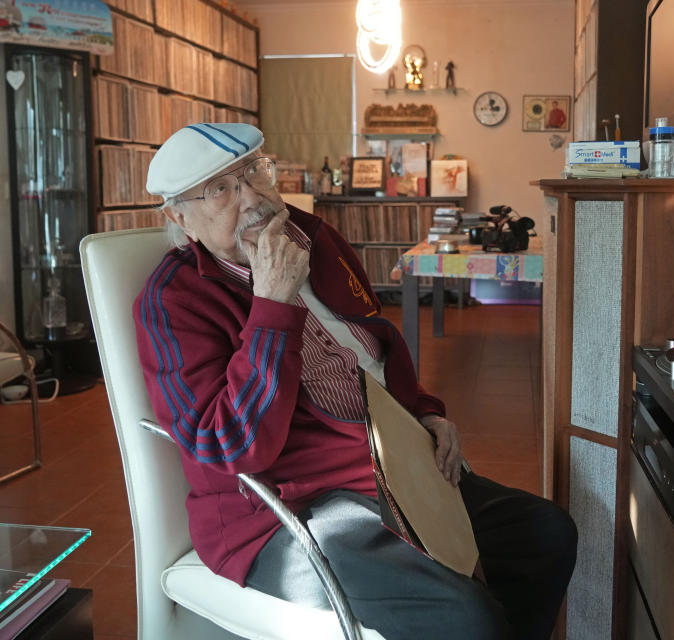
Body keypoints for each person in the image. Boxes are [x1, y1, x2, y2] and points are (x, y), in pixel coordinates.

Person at [134, 123, 577, 640]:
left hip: (393, 464)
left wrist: (427, 411)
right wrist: (272, 306)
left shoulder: (312, 237)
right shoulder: (171, 303)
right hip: (286, 509)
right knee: (465, 620)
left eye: (254, 171)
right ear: (179, 217)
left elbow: (372, 346)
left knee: (546, 533)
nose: (252, 198)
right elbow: (231, 445)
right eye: (221, 189)